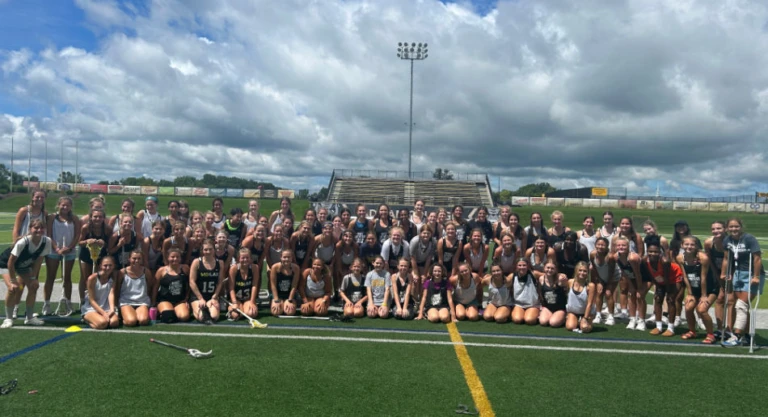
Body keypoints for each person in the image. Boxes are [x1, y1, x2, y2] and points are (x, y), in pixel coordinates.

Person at [721, 218, 764, 347]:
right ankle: (747, 335)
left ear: (741, 227)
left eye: (736, 226)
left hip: (752, 274)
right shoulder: (727, 240)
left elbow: (757, 258)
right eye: (731, 227)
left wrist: (756, 276)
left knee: (741, 305)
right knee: (741, 307)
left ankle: (737, 335)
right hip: (738, 274)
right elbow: (726, 258)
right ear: (727, 228)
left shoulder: (749, 238)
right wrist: (724, 273)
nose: (734, 229)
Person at [1, 219, 51, 328]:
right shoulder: (23, 242)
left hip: (23, 266)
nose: (39, 230)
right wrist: (13, 281)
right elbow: (10, 262)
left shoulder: (46, 241)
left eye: (41, 228)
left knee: (34, 286)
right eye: (36, 228)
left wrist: (33, 277)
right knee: (12, 289)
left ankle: (29, 318)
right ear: (30, 229)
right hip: (6, 265)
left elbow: (38, 261)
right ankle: (8, 319)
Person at [43, 196, 82, 317]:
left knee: (67, 278)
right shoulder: (51, 218)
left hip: (69, 251)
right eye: (63, 205)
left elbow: (77, 235)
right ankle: (47, 304)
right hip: (53, 251)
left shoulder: (74, 218)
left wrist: (69, 248)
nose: (65, 207)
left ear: (71, 207)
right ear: (58, 205)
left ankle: (68, 302)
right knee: (50, 276)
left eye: (67, 205)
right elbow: (48, 234)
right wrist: (57, 248)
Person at [677, 236, 717, 342]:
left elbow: (703, 277)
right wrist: (690, 293)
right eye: (686, 244)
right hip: (695, 289)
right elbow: (685, 276)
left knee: (702, 309)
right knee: (689, 307)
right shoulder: (680, 258)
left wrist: (704, 296)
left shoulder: (702, 258)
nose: (689, 247)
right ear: (682, 245)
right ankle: (692, 331)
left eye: (692, 244)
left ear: (697, 246)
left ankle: (710, 334)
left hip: (709, 289)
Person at [645, 237, 681, 336]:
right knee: (657, 299)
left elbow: (667, 278)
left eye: (655, 252)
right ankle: (659, 326)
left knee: (670, 300)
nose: (652, 254)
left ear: (660, 253)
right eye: (650, 251)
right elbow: (651, 274)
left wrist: (667, 291)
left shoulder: (665, 262)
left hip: (674, 278)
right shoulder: (645, 260)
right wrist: (657, 285)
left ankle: (671, 328)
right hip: (661, 279)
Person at [78, 208, 110, 308]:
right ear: (91, 217)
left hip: (101, 258)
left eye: (100, 217)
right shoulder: (86, 227)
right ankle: (85, 301)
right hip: (86, 256)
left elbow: (110, 244)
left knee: (99, 279)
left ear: (104, 218)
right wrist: (87, 241)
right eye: (95, 216)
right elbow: (80, 242)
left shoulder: (107, 229)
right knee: (86, 279)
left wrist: (104, 243)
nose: (97, 219)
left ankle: (98, 301)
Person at [189, 239, 225, 324]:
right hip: (198, 296)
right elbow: (192, 281)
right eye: (205, 249)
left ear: (214, 250)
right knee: (202, 317)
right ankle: (194, 308)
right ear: (202, 250)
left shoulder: (220, 263)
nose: (208, 251)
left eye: (210, 249)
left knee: (214, 317)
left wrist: (215, 296)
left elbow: (220, 282)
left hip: (211, 295)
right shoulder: (197, 262)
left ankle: (206, 307)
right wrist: (200, 298)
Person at [616, 236, 647, 330]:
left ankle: (642, 321)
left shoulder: (632, 258)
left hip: (645, 278)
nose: (621, 247)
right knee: (631, 294)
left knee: (639, 296)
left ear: (628, 246)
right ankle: (632, 319)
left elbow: (638, 275)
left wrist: (639, 288)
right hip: (632, 277)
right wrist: (631, 286)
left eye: (624, 245)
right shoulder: (616, 257)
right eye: (619, 245)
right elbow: (625, 272)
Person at [81, 256, 120, 330]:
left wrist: (112, 309)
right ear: (100, 266)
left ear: (114, 266)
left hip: (106, 307)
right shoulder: (92, 278)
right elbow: (91, 300)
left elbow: (111, 294)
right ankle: (86, 319)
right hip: (92, 307)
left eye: (110, 265)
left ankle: (99, 319)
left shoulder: (112, 278)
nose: (108, 268)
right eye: (105, 265)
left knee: (114, 323)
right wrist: (104, 313)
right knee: (103, 323)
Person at [153, 248, 191, 323]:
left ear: (180, 258)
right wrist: (153, 302)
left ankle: (173, 311)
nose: (175, 259)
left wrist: (187, 298)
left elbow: (190, 284)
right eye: (172, 257)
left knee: (184, 317)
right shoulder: (161, 270)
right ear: (168, 258)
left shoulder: (185, 268)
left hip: (180, 300)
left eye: (177, 257)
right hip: (165, 300)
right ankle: (163, 311)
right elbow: (155, 287)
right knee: (168, 318)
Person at [117, 249, 152, 327]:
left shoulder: (146, 271)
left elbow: (149, 287)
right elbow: (117, 289)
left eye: (139, 258)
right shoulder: (122, 272)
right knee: (131, 322)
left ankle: (133, 314)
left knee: (143, 321)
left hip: (142, 301)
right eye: (134, 258)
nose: (136, 261)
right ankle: (123, 316)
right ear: (129, 259)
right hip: (126, 301)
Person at [704, 221, 727, 336]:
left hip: (731, 274)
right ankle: (720, 329)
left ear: (725, 229)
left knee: (732, 301)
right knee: (720, 299)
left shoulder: (730, 242)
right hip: (717, 274)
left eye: (719, 228)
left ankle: (733, 329)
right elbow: (711, 262)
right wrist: (718, 278)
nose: (716, 231)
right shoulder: (709, 243)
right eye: (713, 229)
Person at [590, 237, 617, 326]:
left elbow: (611, 272)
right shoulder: (592, 254)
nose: (600, 247)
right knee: (599, 292)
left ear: (607, 246)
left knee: (608, 293)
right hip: (601, 275)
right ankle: (598, 315)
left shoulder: (610, 257)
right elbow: (595, 268)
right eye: (598, 244)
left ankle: (611, 316)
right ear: (595, 245)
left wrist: (607, 284)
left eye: (603, 245)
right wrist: (600, 281)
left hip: (613, 276)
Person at [227, 248, 259, 321]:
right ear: (238, 259)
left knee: (251, 313)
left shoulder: (254, 268)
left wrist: (252, 301)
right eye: (243, 258)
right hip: (236, 298)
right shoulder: (234, 268)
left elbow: (254, 286)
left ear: (251, 259)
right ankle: (240, 308)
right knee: (235, 315)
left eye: (247, 258)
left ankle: (245, 308)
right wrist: (234, 302)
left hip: (247, 298)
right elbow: (231, 288)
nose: (245, 260)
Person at [565, 261, 596, 333]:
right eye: (580, 270)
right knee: (570, 327)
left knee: (585, 328)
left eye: (585, 271)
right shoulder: (570, 282)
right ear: (576, 271)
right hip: (573, 311)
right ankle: (574, 319)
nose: (582, 273)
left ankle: (585, 320)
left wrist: (585, 318)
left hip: (586, 312)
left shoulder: (590, 286)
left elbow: (590, 304)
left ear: (588, 273)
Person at [269, 249, 300, 316]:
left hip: (289, 294)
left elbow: (294, 286)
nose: (286, 259)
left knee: (290, 312)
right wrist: (276, 300)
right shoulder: (275, 267)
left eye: (289, 257)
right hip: (278, 294)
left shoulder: (296, 268)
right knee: (276, 312)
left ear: (292, 258)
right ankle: (281, 303)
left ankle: (285, 302)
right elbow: (273, 285)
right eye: (284, 257)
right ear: (281, 257)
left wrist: (290, 300)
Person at [511, 259, 541, 325]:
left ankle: (536, 313)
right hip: (519, 304)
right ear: (516, 266)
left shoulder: (534, 274)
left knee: (529, 320)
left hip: (532, 304)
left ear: (528, 266)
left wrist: (560, 275)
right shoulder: (512, 276)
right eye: (519, 265)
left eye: (524, 265)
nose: (522, 267)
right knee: (517, 319)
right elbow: (502, 280)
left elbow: (548, 276)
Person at [538, 261, 567, 328]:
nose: (549, 270)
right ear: (544, 268)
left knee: (553, 323)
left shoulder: (560, 279)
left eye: (552, 268)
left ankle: (564, 317)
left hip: (560, 308)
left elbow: (567, 291)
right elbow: (540, 292)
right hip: (547, 307)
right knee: (543, 322)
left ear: (556, 270)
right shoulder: (541, 279)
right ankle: (549, 315)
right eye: (548, 268)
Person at [409, 225, 435, 291]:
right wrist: (415, 273)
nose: (426, 235)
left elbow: (429, 258)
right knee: (416, 279)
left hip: (424, 262)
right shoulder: (415, 241)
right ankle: (414, 297)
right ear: (420, 233)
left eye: (428, 233)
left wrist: (425, 274)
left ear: (431, 234)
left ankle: (421, 297)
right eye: (424, 233)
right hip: (413, 262)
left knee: (424, 279)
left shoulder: (433, 242)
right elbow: (412, 258)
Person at [334, 230, 358, 298]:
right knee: (337, 272)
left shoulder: (355, 246)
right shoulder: (338, 245)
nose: (348, 238)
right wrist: (341, 272)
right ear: (342, 237)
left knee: (354, 273)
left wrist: (351, 270)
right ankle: (338, 291)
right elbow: (338, 260)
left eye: (350, 237)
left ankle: (352, 291)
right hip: (341, 264)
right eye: (346, 236)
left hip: (351, 265)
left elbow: (355, 260)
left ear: (353, 238)